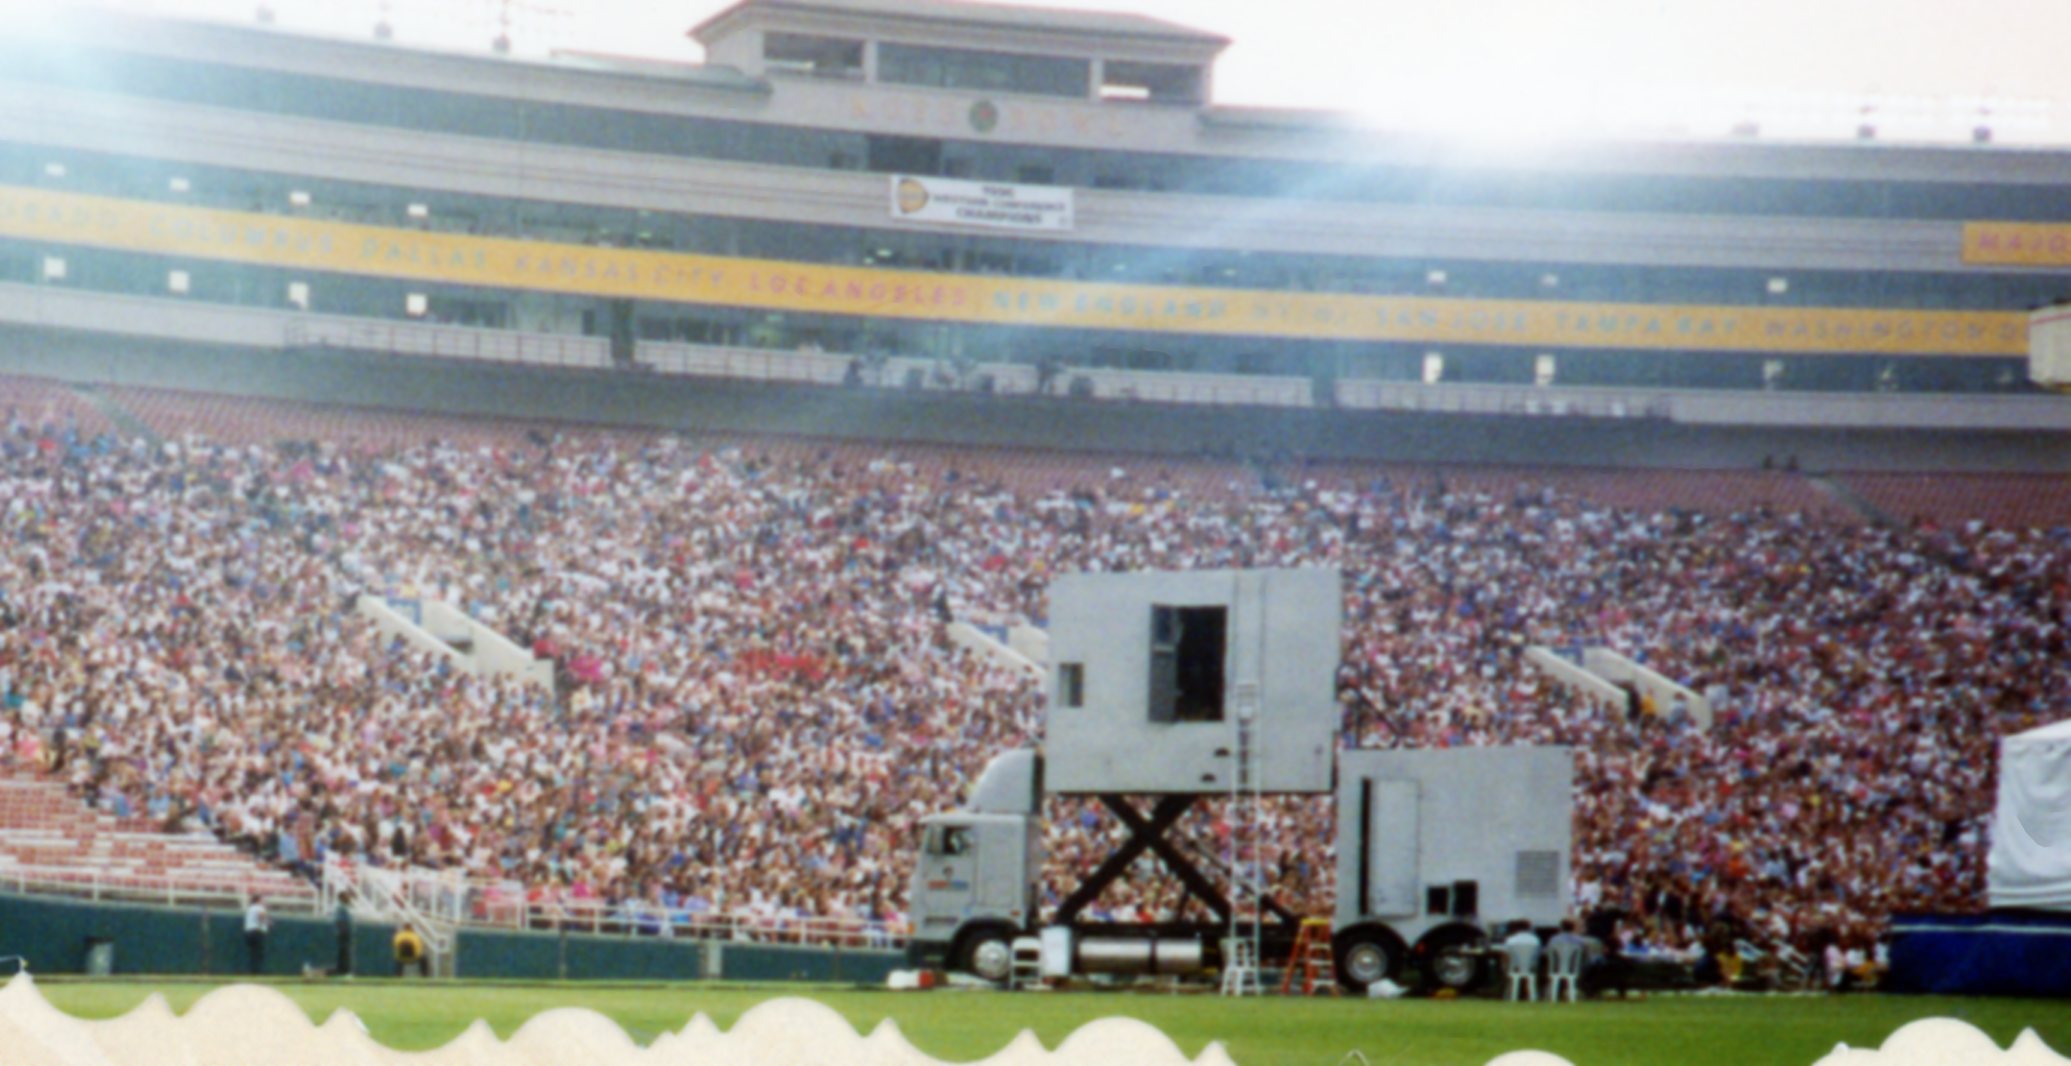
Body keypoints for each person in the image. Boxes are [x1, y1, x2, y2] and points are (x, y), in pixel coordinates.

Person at [243, 895, 270, 975]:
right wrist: (264, 923)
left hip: (249, 932)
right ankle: (258, 972)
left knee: (252, 953)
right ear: (258, 900)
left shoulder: (250, 908)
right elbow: (261, 916)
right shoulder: (259, 907)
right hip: (257, 931)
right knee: (259, 953)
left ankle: (252, 971)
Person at [332, 891, 354, 977]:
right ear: (342, 898)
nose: (349, 898)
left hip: (345, 934)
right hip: (343, 934)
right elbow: (339, 921)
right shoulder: (341, 908)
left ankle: (344, 971)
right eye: (346, 896)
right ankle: (343, 971)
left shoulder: (344, 908)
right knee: (344, 953)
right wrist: (342, 931)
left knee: (345, 953)